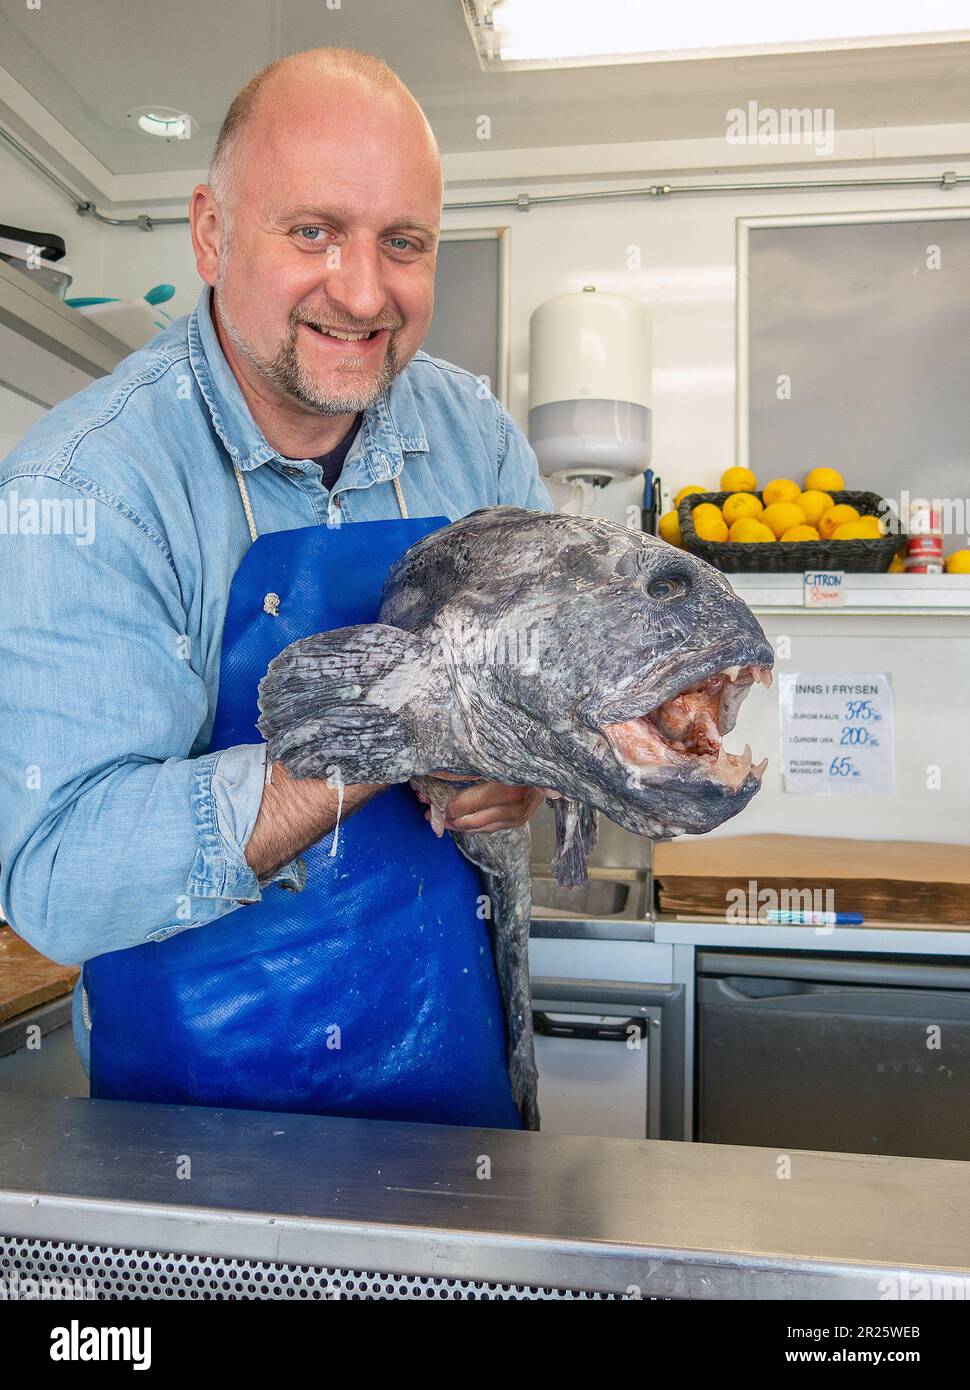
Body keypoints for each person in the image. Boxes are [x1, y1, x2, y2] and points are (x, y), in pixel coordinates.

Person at [0, 47, 552, 1127]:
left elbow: (546, 675)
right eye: (312, 232)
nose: (360, 290)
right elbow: (61, 878)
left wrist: (522, 768)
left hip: (461, 1088)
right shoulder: (88, 487)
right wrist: (374, 738)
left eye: (404, 244)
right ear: (210, 233)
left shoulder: (470, 436)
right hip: (209, 1131)